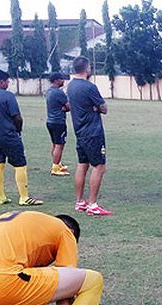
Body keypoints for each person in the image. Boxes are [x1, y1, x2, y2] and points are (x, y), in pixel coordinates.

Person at [0, 70, 43, 207]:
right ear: (2, 81)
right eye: (7, 81)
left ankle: (0, 196)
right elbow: (17, 117)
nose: (8, 84)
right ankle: (24, 197)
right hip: (8, 134)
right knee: (20, 165)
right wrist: (18, 130)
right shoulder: (8, 96)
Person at [67, 56, 112, 216]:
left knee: (82, 165)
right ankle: (93, 204)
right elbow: (104, 108)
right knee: (99, 166)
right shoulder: (89, 87)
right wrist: (96, 108)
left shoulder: (70, 86)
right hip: (93, 132)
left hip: (79, 132)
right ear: (87, 69)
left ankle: (80, 202)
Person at [46, 72, 71, 177]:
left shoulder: (49, 91)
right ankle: (55, 167)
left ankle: (57, 163)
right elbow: (69, 106)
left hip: (50, 121)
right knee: (59, 145)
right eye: (61, 79)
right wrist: (65, 108)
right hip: (58, 122)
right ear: (56, 80)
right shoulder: (59, 93)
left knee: (55, 145)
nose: (63, 81)